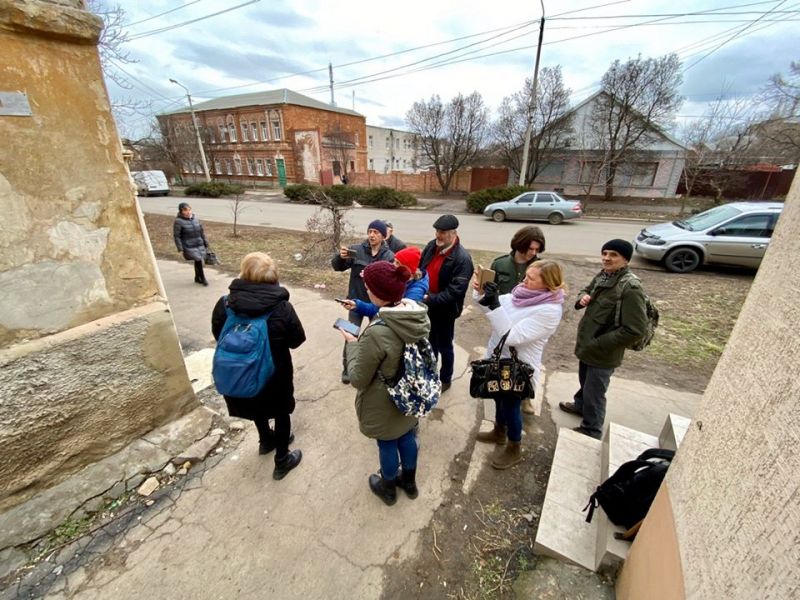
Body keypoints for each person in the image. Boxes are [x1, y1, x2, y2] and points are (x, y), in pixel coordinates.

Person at [338, 261, 431, 506]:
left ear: (377, 292)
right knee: (408, 435)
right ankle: (409, 483)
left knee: (388, 442)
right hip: (412, 393)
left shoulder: (377, 332)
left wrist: (352, 343)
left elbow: (358, 378)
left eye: (368, 286)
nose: (366, 289)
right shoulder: (415, 313)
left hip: (385, 399)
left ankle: (388, 487)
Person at [211, 252, 306, 480]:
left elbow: (218, 334)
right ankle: (282, 460)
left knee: (254, 403)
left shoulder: (225, 304)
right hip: (275, 374)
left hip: (240, 372)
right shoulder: (282, 308)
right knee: (281, 413)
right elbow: (297, 340)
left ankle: (265, 440)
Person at [473, 260, 566, 469]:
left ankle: (514, 447)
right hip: (498, 359)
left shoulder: (549, 310)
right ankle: (499, 432)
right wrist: (481, 293)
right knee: (497, 396)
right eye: (526, 275)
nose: (524, 281)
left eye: (531, 278)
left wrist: (495, 304)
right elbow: (488, 306)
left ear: (548, 284)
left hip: (517, 367)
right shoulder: (520, 295)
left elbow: (513, 336)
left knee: (511, 406)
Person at [559, 239, 648, 439]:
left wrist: (599, 343)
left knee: (595, 392)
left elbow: (635, 329)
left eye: (613, 255)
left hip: (603, 352)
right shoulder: (605, 275)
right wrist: (582, 298)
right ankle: (580, 406)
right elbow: (586, 289)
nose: (607, 258)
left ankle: (591, 429)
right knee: (585, 382)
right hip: (589, 346)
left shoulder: (630, 287)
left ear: (625, 259)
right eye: (605, 253)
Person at [488, 225, 547, 415]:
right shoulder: (500, 264)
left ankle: (527, 397)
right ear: (519, 245)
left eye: (537, 249)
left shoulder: (541, 268)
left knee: (528, 364)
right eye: (530, 248)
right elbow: (490, 292)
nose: (533, 253)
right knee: (503, 363)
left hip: (527, 324)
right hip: (503, 320)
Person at [332, 220, 395, 383]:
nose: (372, 235)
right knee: (351, 334)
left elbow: (390, 281)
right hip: (355, 302)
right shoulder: (357, 250)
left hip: (376, 304)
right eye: (370, 231)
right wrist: (340, 257)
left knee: (373, 338)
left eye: (376, 232)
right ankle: (347, 369)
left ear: (383, 236)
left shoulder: (389, 256)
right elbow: (337, 267)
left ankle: (369, 369)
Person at [419, 215, 474, 392]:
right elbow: (421, 267)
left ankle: (445, 379)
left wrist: (429, 298)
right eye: (437, 231)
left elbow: (455, 291)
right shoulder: (431, 246)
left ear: (453, 233)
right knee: (429, 343)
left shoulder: (462, 259)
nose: (438, 235)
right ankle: (430, 375)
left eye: (442, 232)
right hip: (427, 306)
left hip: (445, 310)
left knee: (445, 346)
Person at [343, 246, 429, 319]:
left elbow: (390, 313)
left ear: (408, 270)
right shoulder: (400, 281)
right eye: (394, 261)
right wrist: (357, 305)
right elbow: (383, 307)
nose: (393, 265)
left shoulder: (414, 293)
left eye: (397, 263)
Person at [173, 202, 210, 286]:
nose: (188, 212)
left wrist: (205, 242)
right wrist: (180, 247)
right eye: (185, 210)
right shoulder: (178, 221)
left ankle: (197, 277)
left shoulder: (195, 219)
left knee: (198, 260)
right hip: (188, 245)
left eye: (189, 210)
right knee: (198, 260)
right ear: (181, 211)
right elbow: (177, 236)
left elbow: (201, 232)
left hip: (199, 243)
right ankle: (203, 278)